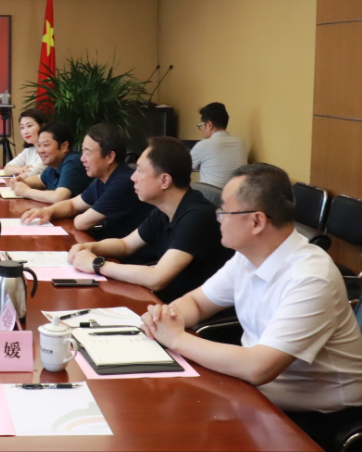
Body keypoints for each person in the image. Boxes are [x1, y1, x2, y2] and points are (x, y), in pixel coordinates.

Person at [141, 163, 362, 449]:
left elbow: (259, 367)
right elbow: (196, 302)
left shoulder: (310, 278)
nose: (218, 219)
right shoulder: (247, 256)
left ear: (256, 222)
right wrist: (166, 317)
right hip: (254, 393)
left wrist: (175, 338)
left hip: (318, 419)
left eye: (224, 211)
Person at [68, 137, 232, 302]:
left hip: (191, 311)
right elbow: (125, 245)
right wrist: (90, 247)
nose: (133, 177)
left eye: (140, 171)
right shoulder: (163, 210)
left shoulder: (197, 216)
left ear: (164, 181)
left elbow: (157, 278)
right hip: (168, 304)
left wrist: (97, 264)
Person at [21, 123, 153, 239]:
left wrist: (77, 215)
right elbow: (72, 205)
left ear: (109, 156)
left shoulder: (123, 182)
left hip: (132, 256)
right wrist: (48, 211)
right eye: (82, 152)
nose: (82, 159)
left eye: (88, 152)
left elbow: (82, 223)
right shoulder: (101, 180)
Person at [8, 121, 91, 204]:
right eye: (39, 145)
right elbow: (39, 180)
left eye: (46, 145)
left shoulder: (73, 162)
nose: (40, 151)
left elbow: (59, 197)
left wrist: (26, 191)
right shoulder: (54, 164)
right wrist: (21, 182)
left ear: (64, 146)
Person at [191, 102, 247, 188]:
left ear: (209, 125)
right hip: (237, 195)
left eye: (200, 125)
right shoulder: (241, 144)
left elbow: (182, 168)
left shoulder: (203, 145)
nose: (201, 129)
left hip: (210, 196)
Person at [2, 108, 48, 177]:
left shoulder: (47, 151)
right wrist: (20, 169)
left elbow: (29, 175)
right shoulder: (29, 150)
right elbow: (7, 168)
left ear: (42, 126)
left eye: (29, 126)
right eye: (22, 127)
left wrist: (19, 172)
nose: (25, 132)